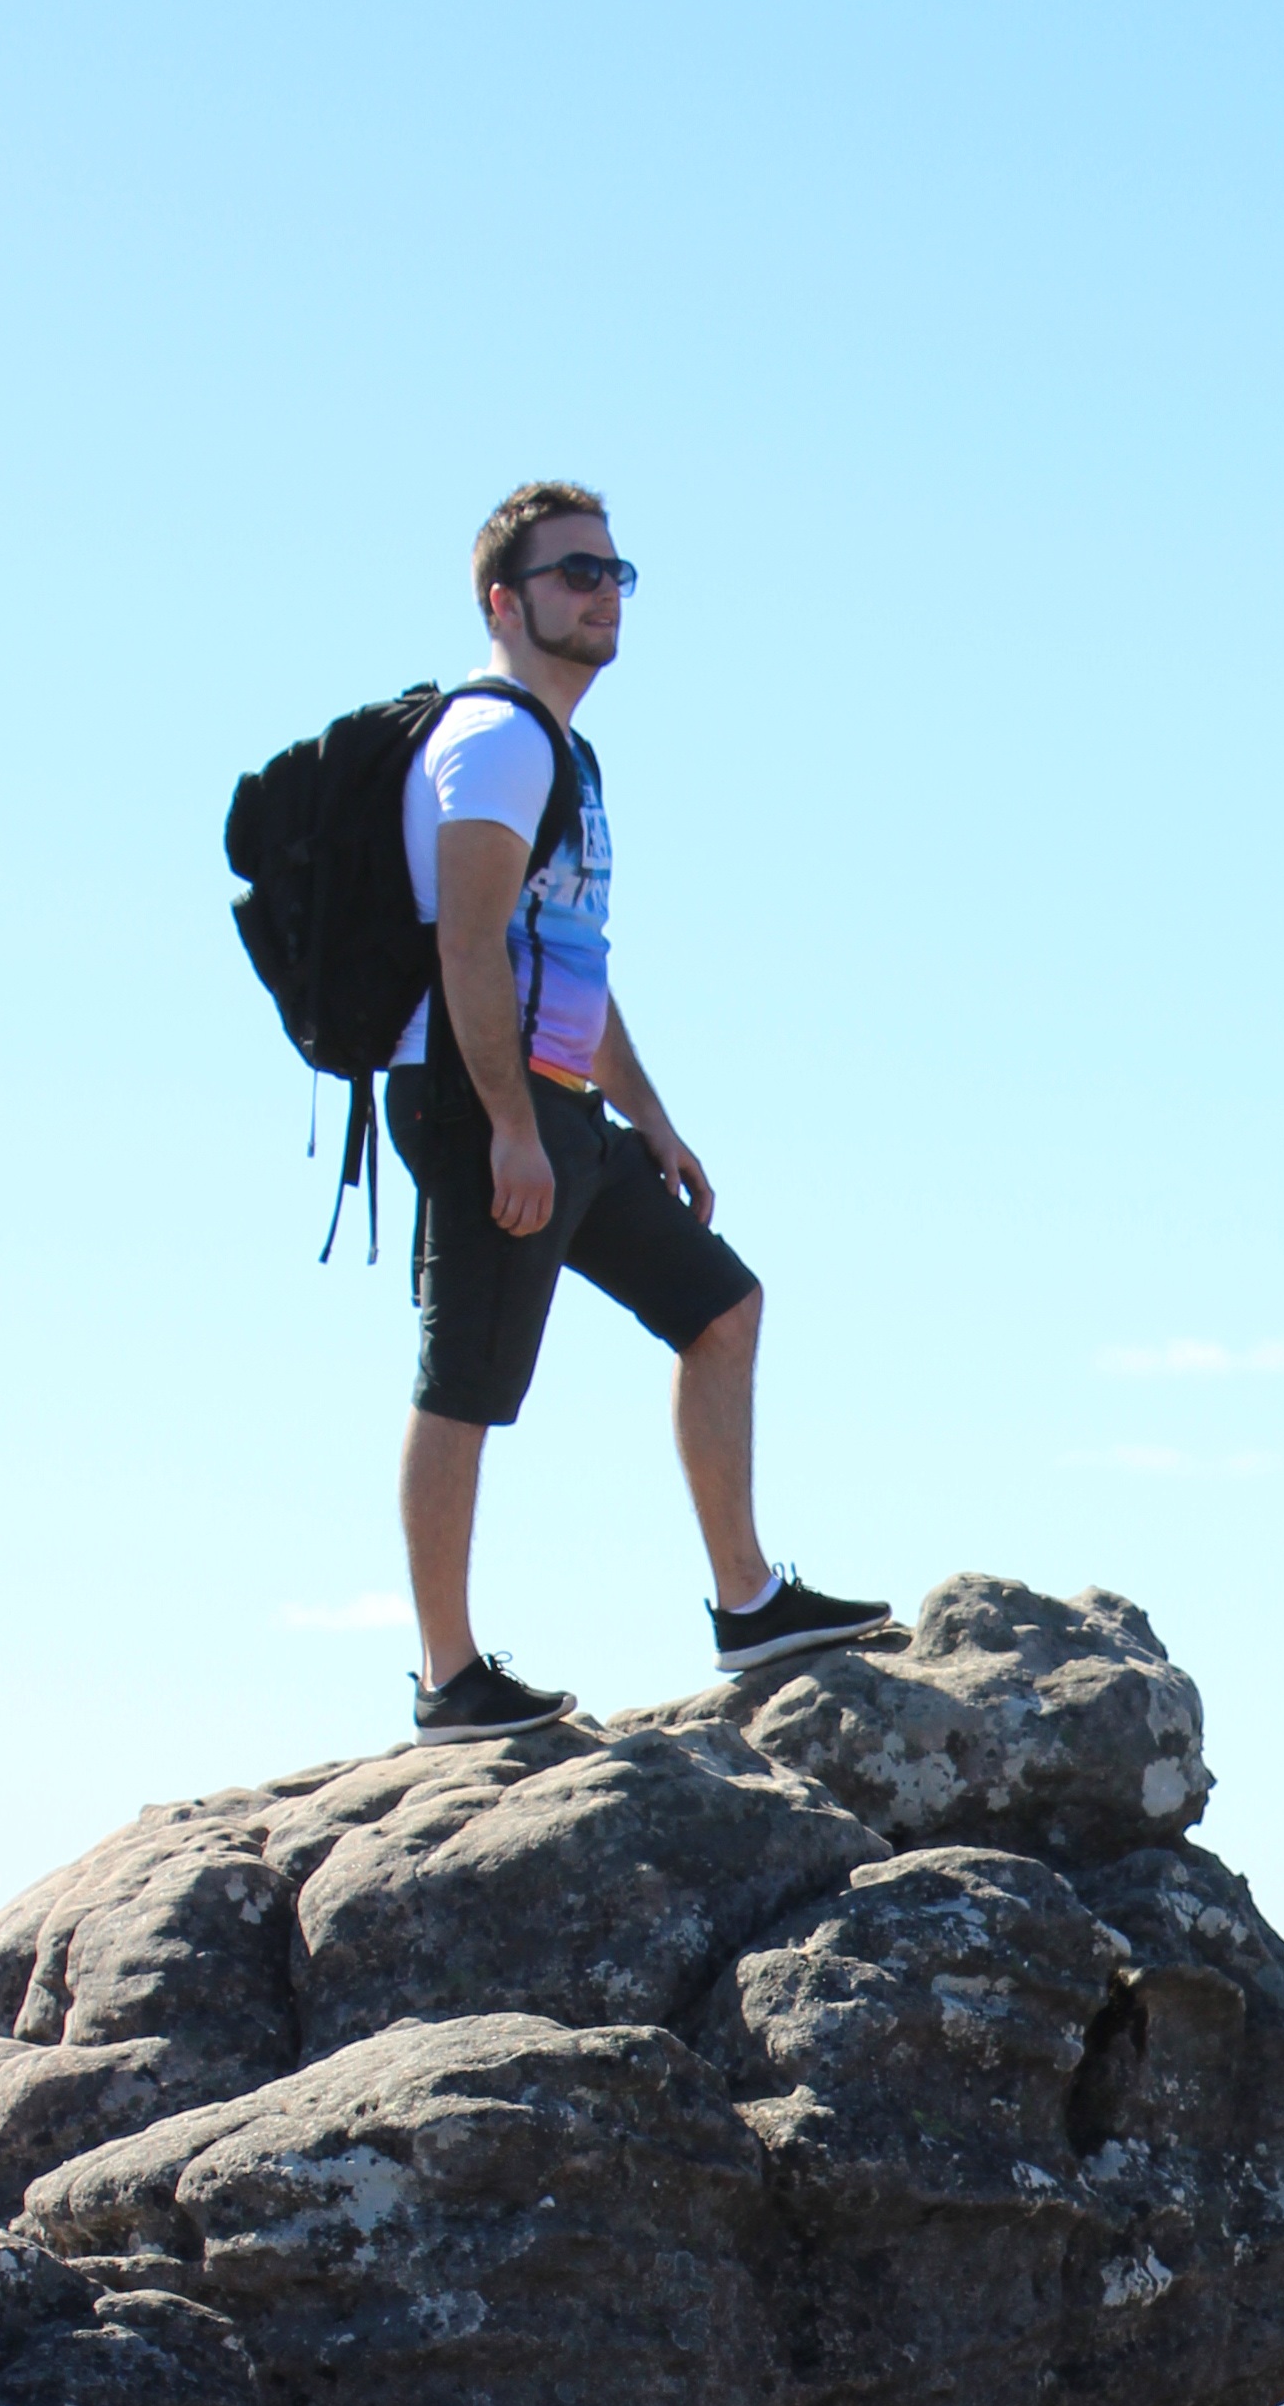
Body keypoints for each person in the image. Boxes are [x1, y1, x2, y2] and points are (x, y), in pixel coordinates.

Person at [381, 478, 898, 1738]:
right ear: (503, 600)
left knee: (720, 1305)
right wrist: (507, 1123)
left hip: (557, 1103)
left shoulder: (565, 751)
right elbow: (466, 948)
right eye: (573, 574)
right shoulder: (495, 743)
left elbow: (567, 964)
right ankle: (449, 1680)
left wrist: (651, 1121)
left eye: (614, 572)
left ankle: (748, 1601)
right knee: (468, 1382)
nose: (601, 593)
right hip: (479, 1098)